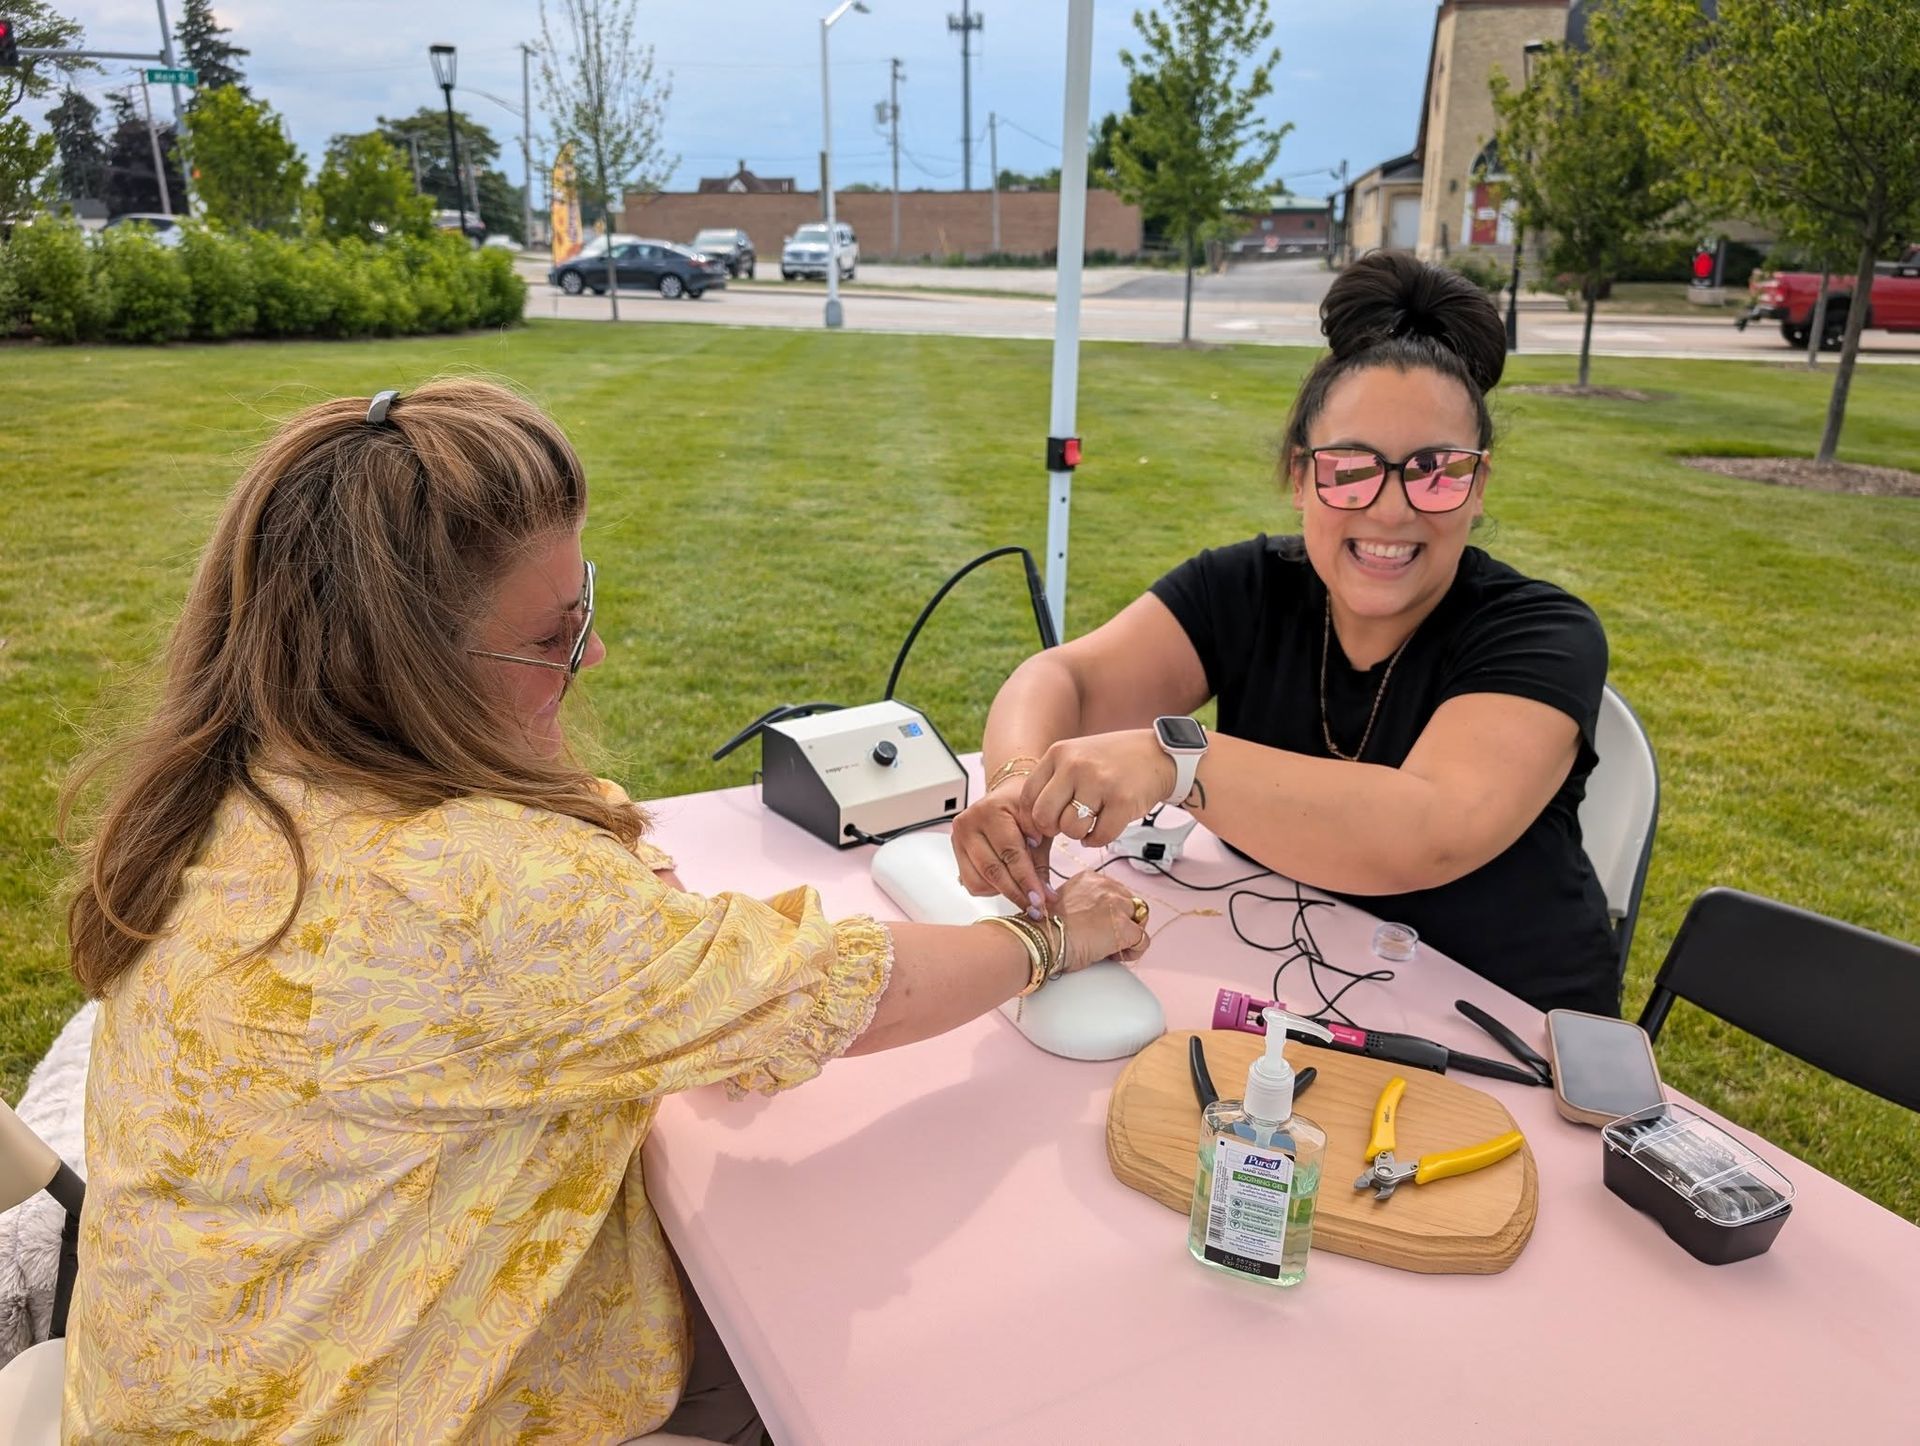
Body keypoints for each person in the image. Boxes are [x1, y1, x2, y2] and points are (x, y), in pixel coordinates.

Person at [59, 379, 1148, 1443]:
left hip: (197, 1383)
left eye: (585, 614)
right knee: (887, 1361)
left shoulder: (250, 780)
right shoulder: (467, 892)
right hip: (369, 1404)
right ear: (406, 670)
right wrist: (1054, 936)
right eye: (551, 640)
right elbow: (860, 994)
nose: (594, 657)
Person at [952, 250, 1618, 1017]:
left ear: (1478, 487)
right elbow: (1063, 680)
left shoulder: (1540, 631)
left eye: (1435, 469)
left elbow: (1431, 826)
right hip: (1286, 980)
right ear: (1301, 476)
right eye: (1350, 468)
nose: (1392, 509)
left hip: (1505, 1022)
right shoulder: (1248, 588)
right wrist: (1015, 786)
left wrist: (1174, 765)